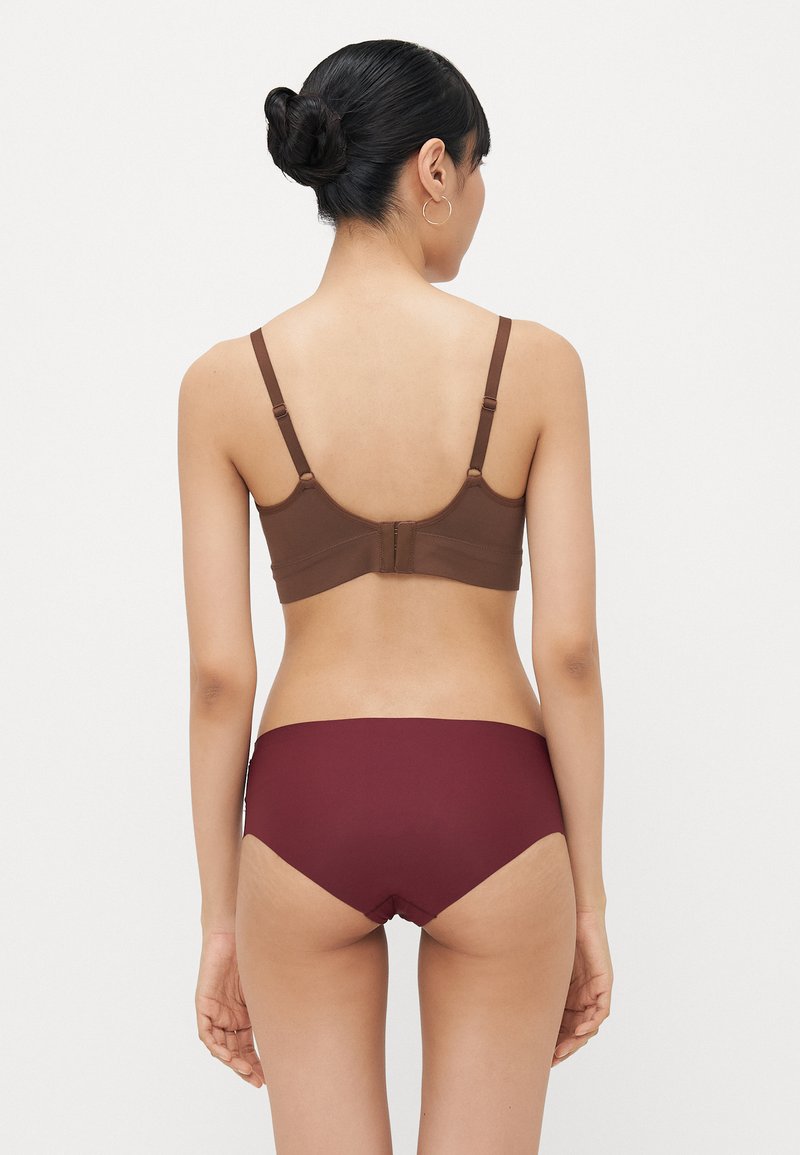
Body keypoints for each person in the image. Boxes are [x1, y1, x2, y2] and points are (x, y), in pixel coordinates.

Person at [178, 37, 612, 1155]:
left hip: (306, 806)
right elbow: (567, 652)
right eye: (476, 165)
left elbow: (221, 677)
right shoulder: (537, 365)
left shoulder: (225, 383)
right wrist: (588, 901)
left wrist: (222, 919)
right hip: (493, 803)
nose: (479, 195)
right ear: (432, 169)